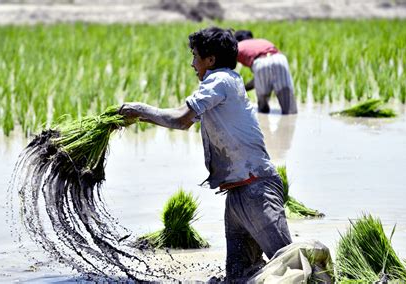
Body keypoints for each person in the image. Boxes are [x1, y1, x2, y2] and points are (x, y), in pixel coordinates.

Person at [119, 27, 292, 281]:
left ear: (210, 60)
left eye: (195, 56)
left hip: (257, 190)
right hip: (236, 194)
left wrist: (138, 109)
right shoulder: (224, 83)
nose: (192, 64)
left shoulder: (220, 80)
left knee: (291, 266)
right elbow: (185, 120)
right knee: (238, 277)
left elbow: (180, 119)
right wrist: (141, 116)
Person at [235, 30, 298, 115]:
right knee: (289, 106)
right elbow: (258, 78)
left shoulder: (238, 46)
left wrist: (238, 90)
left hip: (260, 62)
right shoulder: (263, 41)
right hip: (280, 59)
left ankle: (264, 121)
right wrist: (244, 88)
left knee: (262, 104)